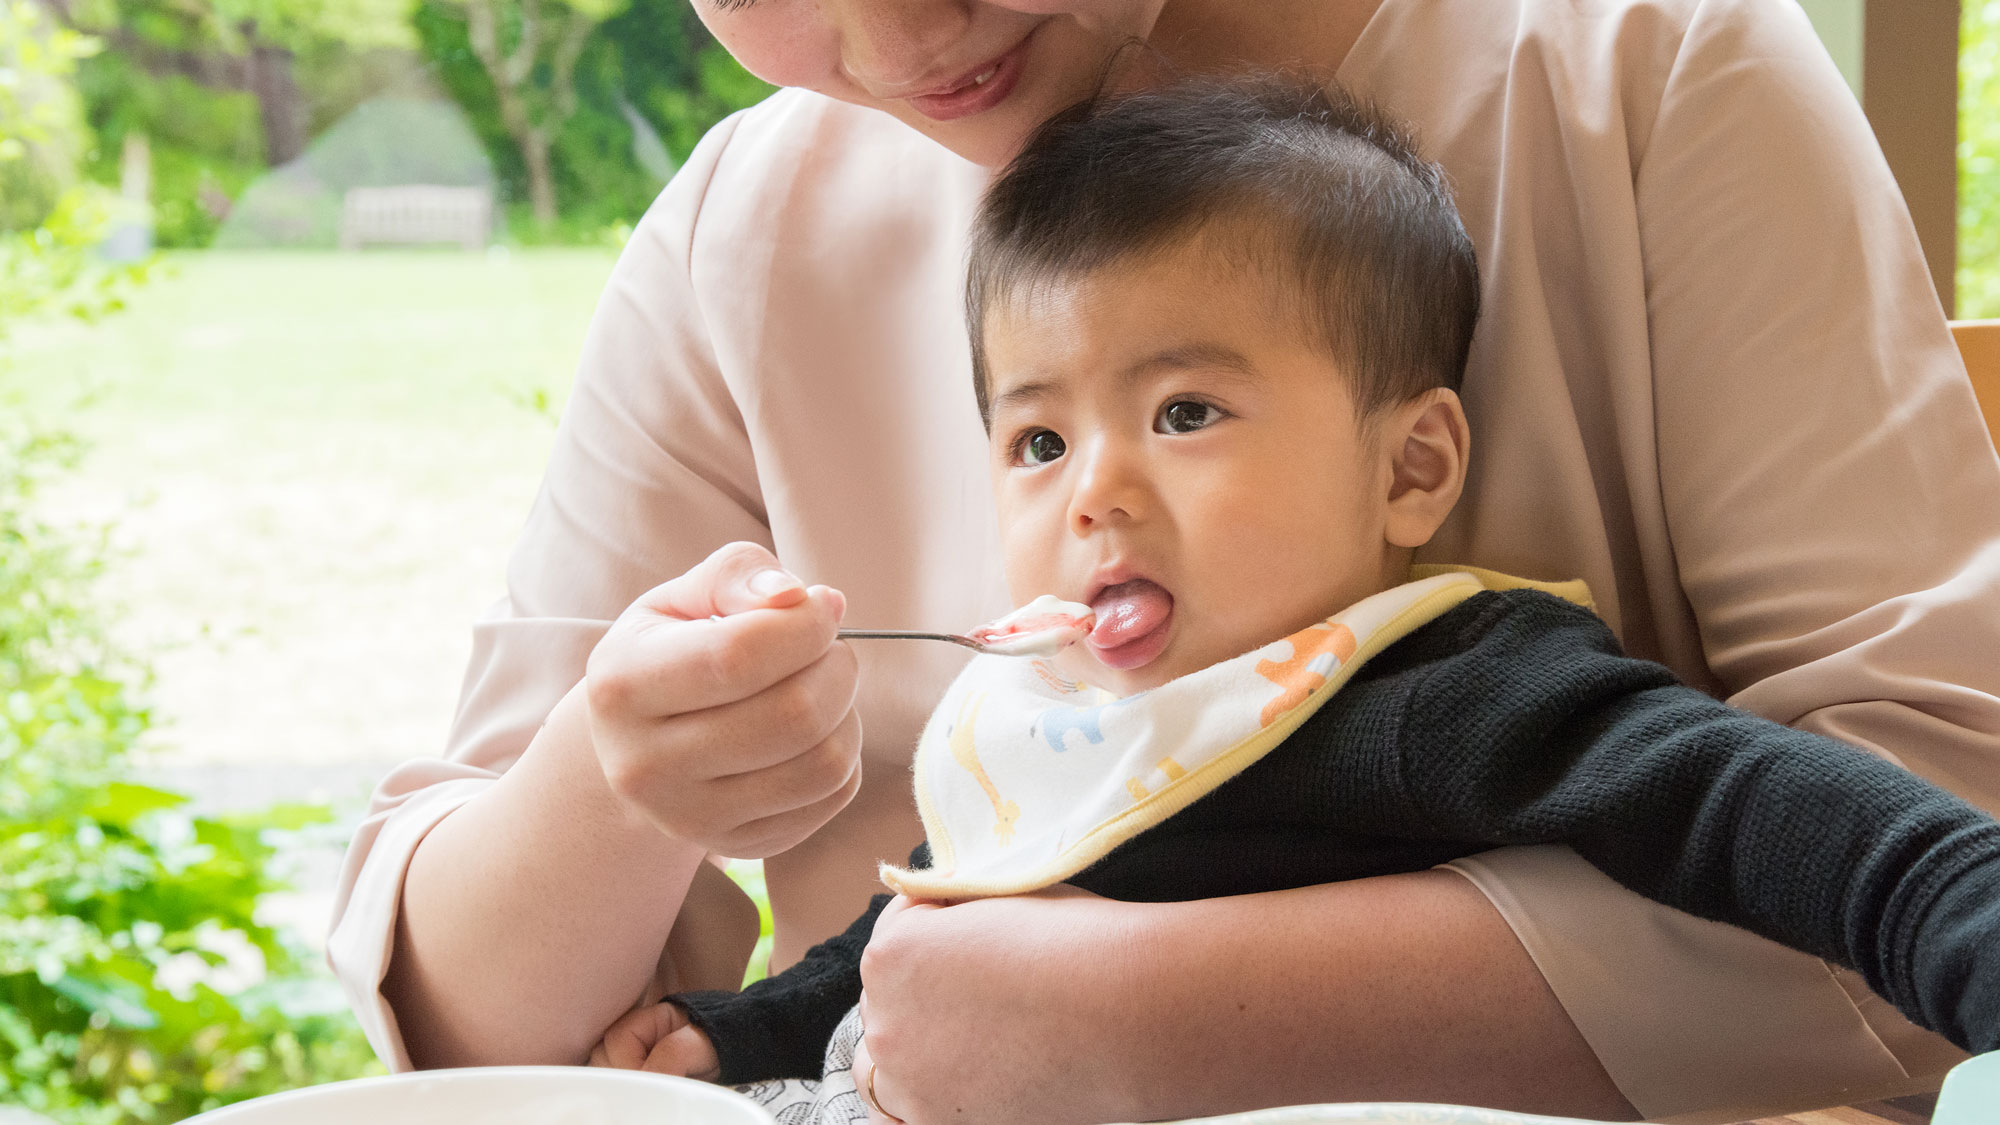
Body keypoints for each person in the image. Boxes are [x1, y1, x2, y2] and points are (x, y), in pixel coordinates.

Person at [327, 1, 2000, 1121]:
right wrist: (618, 783)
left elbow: (1938, 838)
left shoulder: (1641, 60)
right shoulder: (744, 229)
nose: (907, 29)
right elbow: (483, 1046)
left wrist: (1153, 1014)